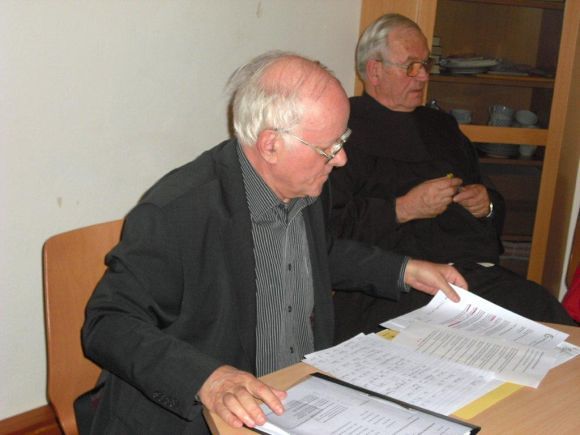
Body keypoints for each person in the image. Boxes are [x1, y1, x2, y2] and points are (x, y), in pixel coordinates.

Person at [79, 51, 468, 434]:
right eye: (330, 148)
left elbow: (319, 255)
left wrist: (405, 269)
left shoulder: (307, 185)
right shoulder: (178, 211)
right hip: (203, 418)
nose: (342, 159)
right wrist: (208, 379)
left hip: (296, 398)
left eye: (342, 140)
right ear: (270, 145)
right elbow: (108, 322)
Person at [329, 14, 575, 343]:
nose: (423, 76)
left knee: (544, 313)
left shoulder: (441, 126)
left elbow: (488, 198)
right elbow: (328, 233)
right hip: (394, 285)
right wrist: (403, 208)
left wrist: (486, 204)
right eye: (411, 66)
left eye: (426, 64)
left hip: (467, 274)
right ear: (374, 70)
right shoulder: (342, 128)